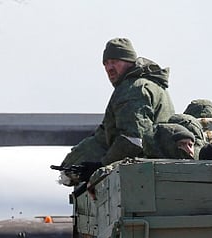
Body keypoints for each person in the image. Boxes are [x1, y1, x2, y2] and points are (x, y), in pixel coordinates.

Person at [61, 38, 175, 168]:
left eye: (114, 62)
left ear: (129, 61)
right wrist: (74, 160)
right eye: (106, 63)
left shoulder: (133, 89)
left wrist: (101, 166)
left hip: (143, 173)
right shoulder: (149, 85)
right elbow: (103, 138)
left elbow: (133, 140)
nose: (109, 68)